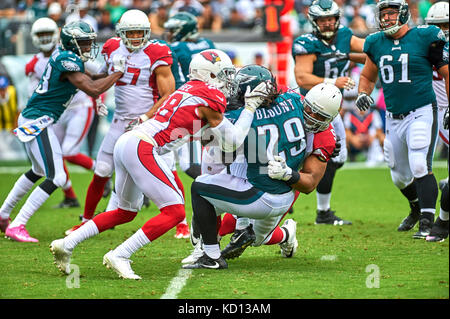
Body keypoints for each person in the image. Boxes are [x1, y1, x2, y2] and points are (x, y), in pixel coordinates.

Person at [50, 49, 271, 279]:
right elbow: (232, 141)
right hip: (143, 146)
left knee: (124, 211)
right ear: (210, 75)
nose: (228, 80)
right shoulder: (209, 96)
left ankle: (66, 243)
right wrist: (250, 108)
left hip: (128, 141)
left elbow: (200, 131)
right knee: (175, 212)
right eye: (223, 74)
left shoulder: (188, 89)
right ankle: (121, 255)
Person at [182, 68, 341, 270]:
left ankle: (210, 249)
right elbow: (270, 89)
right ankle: (282, 234)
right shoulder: (293, 100)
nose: (310, 117)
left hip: (285, 184)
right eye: (309, 109)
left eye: (319, 115)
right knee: (254, 234)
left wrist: (288, 174)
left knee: (205, 192)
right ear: (304, 101)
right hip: (269, 179)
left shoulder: (320, 133)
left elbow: (309, 184)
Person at [0, 21, 125, 241]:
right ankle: (18, 224)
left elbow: (91, 78)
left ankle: (3, 215)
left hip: (37, 118)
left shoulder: (64, 56)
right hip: (38, 121)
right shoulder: (67, 60)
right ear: (72, 42)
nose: (88, 46)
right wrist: (118, 74)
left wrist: (109, 72)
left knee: (38, 171)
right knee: (56, 176)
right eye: (84, 42)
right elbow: (93, 89)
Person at [65, 9, 176, 235]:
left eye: (140, 32)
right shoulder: (111, 47)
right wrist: (96, 94)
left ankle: (181, 223)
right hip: (120, 120)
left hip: (148, 121)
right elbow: (100, 78)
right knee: (102, 169)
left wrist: (145, 117)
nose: (135, 37)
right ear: (121, 33)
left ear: (147, 32)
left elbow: (168, 95)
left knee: (168, 168)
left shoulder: (157, 52)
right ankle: (87, 219)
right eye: (131, 32)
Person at [356, 0, 449, 239]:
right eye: (383, 14)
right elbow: (367, 74)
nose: (386, 18)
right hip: (393, 117)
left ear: (404, 13)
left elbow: (447, 72)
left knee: (420, 163)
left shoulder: (424, 36)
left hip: (421, 110)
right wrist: (363, 93)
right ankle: (416, 208)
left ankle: (428, 222)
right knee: (398, 175)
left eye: (391, 13)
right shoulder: (375, 42)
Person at [292, 0, 366, 225]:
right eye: (322, 20)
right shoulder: (306, 43)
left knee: (337, 156)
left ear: (337, 18)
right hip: (308, 110)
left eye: (330, 19)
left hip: (332, 111)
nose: (327, 24)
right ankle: (319, 211)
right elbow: (302, 77)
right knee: (315, 154)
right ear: (314, 21)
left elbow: (370, 50)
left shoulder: (344, 35)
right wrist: (334, 80)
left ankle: (321, 211)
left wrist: (349, 56)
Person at [25, 17, 98, 209]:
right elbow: (34, 92)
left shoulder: (69, 52)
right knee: (57, 155)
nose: (44, 38)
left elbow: (94, 74)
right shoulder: (33, 64)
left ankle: (102, 174)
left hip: (79, 107)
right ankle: (70, 196)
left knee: (68, 152)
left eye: (48, 34)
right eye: (40, 35)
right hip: (55, 112)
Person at [163, 11, 216, 238]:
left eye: (174, 30)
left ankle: (218, 192)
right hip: (209, 102)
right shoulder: (208, 43)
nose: (170, 34)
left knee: (189, 164)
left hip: (190, 105)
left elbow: (172, 81)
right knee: (200, 160)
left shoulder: (178, 49)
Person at [424, 1, 449, 242]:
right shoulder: (426, 45)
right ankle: (442, 221)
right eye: (438, 25)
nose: (443, 29)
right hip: (441, 111)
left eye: (447, 24)